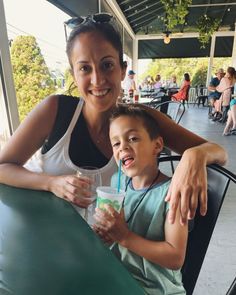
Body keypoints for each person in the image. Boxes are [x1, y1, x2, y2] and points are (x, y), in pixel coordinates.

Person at [0, 13, 227, 225]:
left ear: (122, 69)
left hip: (108, 251)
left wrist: (194, 155)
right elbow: (3, 166)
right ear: (73, 75)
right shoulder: (55, 110)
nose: (97, 80)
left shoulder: (141, 119)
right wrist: (50, 183)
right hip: (48, 235)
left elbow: (219, 152)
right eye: (85, 68)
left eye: (107, 65)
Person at [94, 105, 188, 294]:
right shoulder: (117, 183)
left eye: (133, 138)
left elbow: (175, 257)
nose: (123, 147)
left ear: (157, 145)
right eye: (116, 143)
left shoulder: (172, 193)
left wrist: (124, 236)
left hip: (155, 288)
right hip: (118, 276)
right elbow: (114, 242)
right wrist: (106, 233)